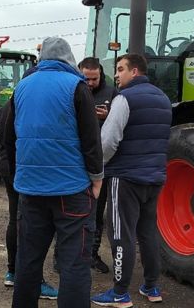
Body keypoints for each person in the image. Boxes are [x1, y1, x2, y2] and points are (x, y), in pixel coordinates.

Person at [5, 37, 103, 307]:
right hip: (71, 190)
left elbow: (9, 137)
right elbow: (91, 139)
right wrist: (96, 179)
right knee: (74, 263)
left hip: (30, 190)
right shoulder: (77, 86)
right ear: (69, 59)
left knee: (28, 261)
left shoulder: (21, 87)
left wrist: (18, 179)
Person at [91, 54, 172, 307]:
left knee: (120, 234)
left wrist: (97, 167)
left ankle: (120, 293)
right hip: (154, 177)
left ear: (134, 71)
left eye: (120, 69)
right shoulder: (163, 99)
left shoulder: (124, 98)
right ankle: (151, 287)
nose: (116, 75)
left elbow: (108, 141)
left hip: (125, 178)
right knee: (148, 232)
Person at [0, 99, 58, 300]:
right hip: (24, 168)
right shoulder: (30, 105)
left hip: (8, 165)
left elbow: (4, 139)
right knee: (32, 226)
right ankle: (35, 281)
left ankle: (12, 272)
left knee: (14, 219)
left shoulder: (6, 106)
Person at [78, 57, 119, 274]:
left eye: (95, 78)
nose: (91, 83)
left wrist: (108, 115)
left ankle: (92, 254)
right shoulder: (74, 90)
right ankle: (67, 256)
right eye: (87, 79)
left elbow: (120, 121)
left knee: (97, 210)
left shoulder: (111, 93)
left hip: (102, 163)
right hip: (77, 162)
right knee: (73, 212)